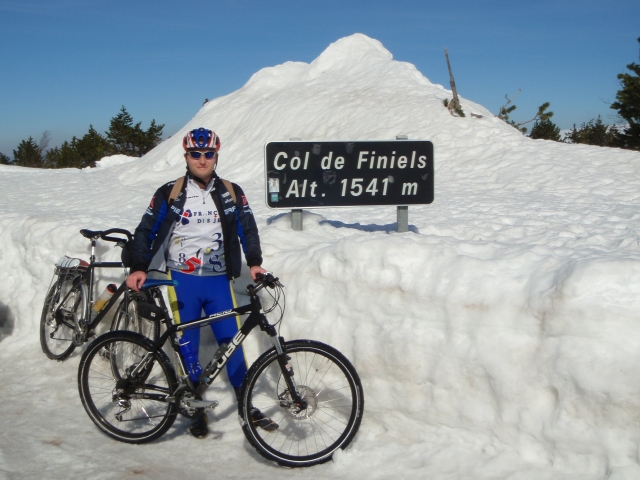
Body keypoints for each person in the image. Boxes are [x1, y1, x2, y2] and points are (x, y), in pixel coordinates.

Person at [126, 127, 278, 438]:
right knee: (188, 350)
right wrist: (139, 266)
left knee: (231, 344)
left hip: (219, 281)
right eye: (196, 154)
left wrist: (255, 262)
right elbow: (145, 231)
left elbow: (248, 229)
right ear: (186, 156)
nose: (202, 159)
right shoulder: (170, 192)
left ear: (216, 156)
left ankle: (245, 403)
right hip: (182, 282)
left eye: (208, 154)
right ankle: (194, 407)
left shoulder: (231, 192)